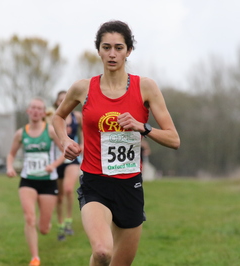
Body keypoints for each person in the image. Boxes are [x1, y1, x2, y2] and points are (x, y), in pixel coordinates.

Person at [52, 20, 180, 266]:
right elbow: (58, 117)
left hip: (130, 186)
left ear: (129, 51)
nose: (112, 54)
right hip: (95, 182)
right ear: (98, 50)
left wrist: (143, 127)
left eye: (119, 48)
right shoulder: (82, 88)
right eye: (106, 47)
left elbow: (174, 139)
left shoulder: (146, 87)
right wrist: (64, 139)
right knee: (102, 252)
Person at [6, 98, 65, 266]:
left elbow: (64, 151)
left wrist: (53, 165)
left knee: (44, 229)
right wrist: (10, 167)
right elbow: (11, 154)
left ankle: (46, 224)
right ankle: (35, 258)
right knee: (30, 219)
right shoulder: (20, 133)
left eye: (40, 108)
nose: (36, 111)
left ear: (43, 113)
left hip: (48, 182)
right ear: (28, 111)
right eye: (33, 108)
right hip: (28, 181)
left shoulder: (51, 131)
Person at [53, 90, 83, 241]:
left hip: (72, 158)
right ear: (56, 103)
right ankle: (60, 226)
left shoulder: (77, 117)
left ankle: (69, 221)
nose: (63, 102)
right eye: (60, 100)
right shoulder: (53, 119)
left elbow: (88, 131)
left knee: (69, 189)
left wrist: (82, 146)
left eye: (66, 99)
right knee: (59, 196)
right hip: (57, 159)